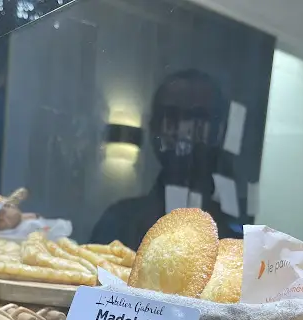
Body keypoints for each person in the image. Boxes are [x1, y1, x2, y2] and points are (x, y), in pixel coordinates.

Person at [91, 69, 241, 248]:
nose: (184, 131)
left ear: (219, 132)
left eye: (198, 119)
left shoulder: (237, 238)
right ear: (154, 128)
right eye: (171, 117)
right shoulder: (118, 222)